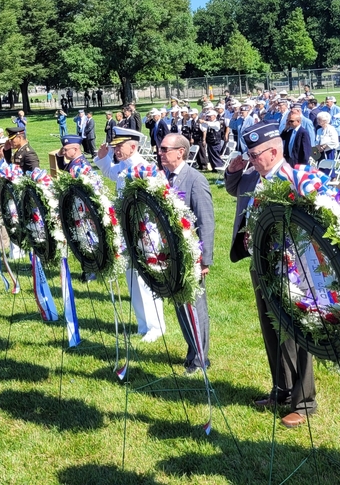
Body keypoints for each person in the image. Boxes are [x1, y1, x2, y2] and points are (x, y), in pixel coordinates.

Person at [225, 122, 316, 428]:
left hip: (292, 270)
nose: (250, 160)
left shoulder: (294, 179)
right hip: (261, 265)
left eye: (254, 154)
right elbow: (234, 189)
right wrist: (235, 169)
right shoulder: (255, 176)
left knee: (298, 333)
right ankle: (281, 389)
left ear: (274, 151)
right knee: (271, 329)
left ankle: (304, 401)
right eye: (249, 154)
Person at [95, 126, 165, 342]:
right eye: (115, 146)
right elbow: (111, 173)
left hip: (144, 231)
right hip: (126, 230)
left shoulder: (145, 168)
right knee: (132, 278)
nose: (116, 149)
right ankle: (142, 324)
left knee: (145, 279)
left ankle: (156, 326)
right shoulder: (125, 166)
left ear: (133, 146)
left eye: (119, 146)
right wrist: (103, 159)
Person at [159, 133, 215, 374]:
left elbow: (206, 221)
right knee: (181, 306)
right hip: (170, 255)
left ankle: (200, 359)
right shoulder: (163, 178)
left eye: (164, 149)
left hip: (192, 256)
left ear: (180, 152)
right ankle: (192, 351)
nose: (159, 153)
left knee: (195, 306)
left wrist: (205, 259)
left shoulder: (195, 180)